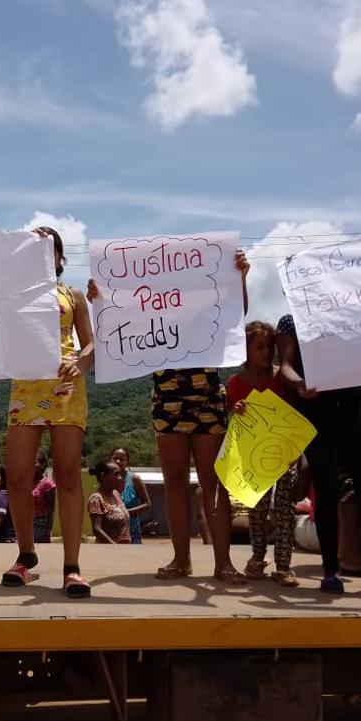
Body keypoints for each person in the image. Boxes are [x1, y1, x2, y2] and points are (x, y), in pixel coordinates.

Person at [89, 250, 251, 584]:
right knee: (175, 480)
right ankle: (182, 559)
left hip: (206, 392)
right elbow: (118, 325)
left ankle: (224, 563)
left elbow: (234, 316)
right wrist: (100, 300)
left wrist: (241, 278)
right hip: (166, 395)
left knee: (213, 483)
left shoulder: (207, 299)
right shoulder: (150, 303)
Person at [276, 313, 361, 596]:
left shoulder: (350, 306)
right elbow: (285, 367)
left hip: (354, 402)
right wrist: (300, 383)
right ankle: (330, 570)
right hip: (316, 406)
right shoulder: (291, 320)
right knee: (325, 486)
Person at [3, 227, 94, 598]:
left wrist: (81, 363)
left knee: (69, 474)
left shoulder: (71, 295)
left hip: (65, 387)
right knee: (18, 475)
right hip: (25, 387)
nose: (44, 257)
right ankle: (26, 555)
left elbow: (90, 344)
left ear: (59, 257)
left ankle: (71, 567)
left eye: (50, 250)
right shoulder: (12, 294)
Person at [226, 321, 299, 587]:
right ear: (245, 350)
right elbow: (230, 420)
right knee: (256, 510)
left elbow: (292, 416)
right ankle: (257, 557)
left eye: (269, 347)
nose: (266, 352)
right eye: (259, 347)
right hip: (254, 458)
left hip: (284, 453)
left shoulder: (281, 378)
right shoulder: (235, 382)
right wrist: (237, 410)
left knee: (284, 508)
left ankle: (284, 565)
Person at [110, 447, 150, 544]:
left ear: (127, 462)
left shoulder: (134, 479)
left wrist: (126, 513)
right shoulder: (106, 479)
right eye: (115, 458)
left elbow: (147, 504)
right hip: (110, 531)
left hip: (132, 531)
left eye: (122, 459)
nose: (118, 461)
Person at [87, 460, 132, 545]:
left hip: (125, 549)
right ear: (103, 476)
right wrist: (114, 547)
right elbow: (97, 529)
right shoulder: (96, 499)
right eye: (116, 474)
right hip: (109, 551)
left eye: (120, 474)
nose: (120, 478)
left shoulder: (116, 494)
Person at [30, 451, 56, 544]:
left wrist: (48, 531)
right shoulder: (25, 483)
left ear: (42, 465)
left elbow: (51, 509)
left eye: (34, 461)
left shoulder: (47, 484)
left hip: (40, 523)